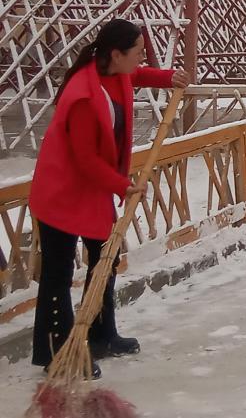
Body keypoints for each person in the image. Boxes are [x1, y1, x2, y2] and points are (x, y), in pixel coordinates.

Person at [29, 19, 189, 378]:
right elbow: (83, 158)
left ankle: (101, 334)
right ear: (116, 54)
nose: (141, 59)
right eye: (137, 53)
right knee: (58, 271)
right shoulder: (84, 94)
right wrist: (122, 185)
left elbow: (137, 76)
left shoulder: (114, 73)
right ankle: (55, 351)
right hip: (64, 192)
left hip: (94, 187)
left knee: (106, 258)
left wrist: (167, 77)